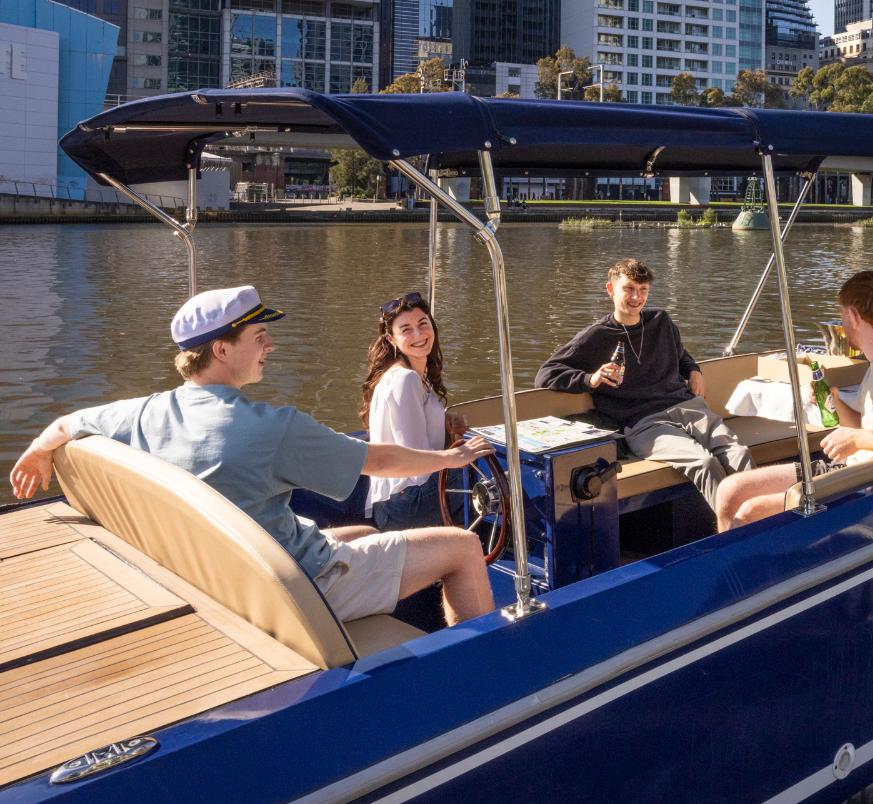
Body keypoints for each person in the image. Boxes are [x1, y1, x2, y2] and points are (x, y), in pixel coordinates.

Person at [8, 286, 495, 627]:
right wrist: (452, 460)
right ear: (221, 349)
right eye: (259, 337)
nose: (271, 345)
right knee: (463, 546)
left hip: (228, 569)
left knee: (366, 531)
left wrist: (36, 452)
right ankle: (481, 665)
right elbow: (380, 462)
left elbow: (67, 424)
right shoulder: (274, 428)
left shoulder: (145, 412)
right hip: (303, 582)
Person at [715, 269, 873, 531]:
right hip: (854, 468)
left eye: (842, 315)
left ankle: (739, 571)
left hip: (865, 480)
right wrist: (833, 399)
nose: (843, 322)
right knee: (730, 491)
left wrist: (857, 440)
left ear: (853, 316)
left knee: (749, 511)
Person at [535, 258, 753, 510]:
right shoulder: (596, 336)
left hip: (688, 406)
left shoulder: (661, 320)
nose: (636, 297)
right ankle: (735, 530)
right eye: (629, 289)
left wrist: (693, 369)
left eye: (643, 290)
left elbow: (679, 354)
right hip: (642, 422)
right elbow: (546, 373)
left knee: (739, 453)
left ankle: (762, 522)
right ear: (611, 289)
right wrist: (590, 379)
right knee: (704, 463)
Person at [360, 291, 466, 531]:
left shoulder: (416, 377)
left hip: (398, 503)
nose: (418, 334)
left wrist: (444, 423)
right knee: (498, 476)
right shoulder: (404, 380)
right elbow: (416, 464)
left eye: (422, 324)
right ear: (391, 339)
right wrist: (462, 457)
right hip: (404, 505)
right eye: (406, 329)